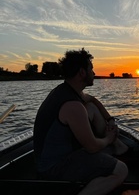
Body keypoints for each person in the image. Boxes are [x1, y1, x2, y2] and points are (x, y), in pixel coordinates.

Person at [33, 48, 128, 195]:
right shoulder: (73, 106)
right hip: (53, 169)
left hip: (56, 157)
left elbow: (91, 100)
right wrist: (108, 139)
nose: (94, 73)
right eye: (91, 69)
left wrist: (110, 120)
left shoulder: (65, 91)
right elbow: (92, 147)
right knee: (121, 170)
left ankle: (119, 146)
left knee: (90, 107)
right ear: (82, 73)